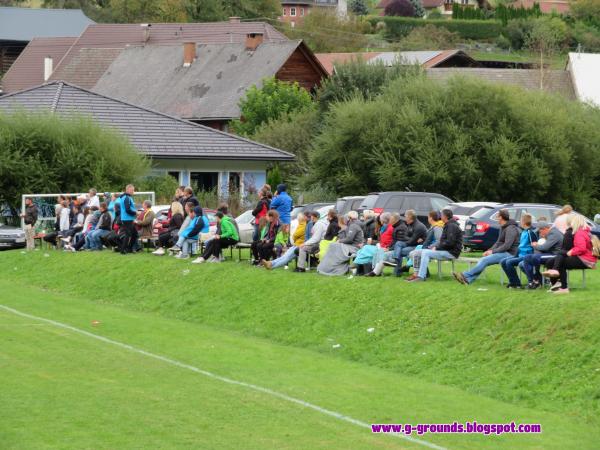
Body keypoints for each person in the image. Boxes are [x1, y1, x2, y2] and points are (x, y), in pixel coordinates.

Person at [453, 209, 519, 285]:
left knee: (484, 261)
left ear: (501, 217)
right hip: (503, 252)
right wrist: (489, 250)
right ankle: (468, 280)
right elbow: (498, 242)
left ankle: (465, 275)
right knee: (484, 260)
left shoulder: (511, 228)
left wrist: (493, 252)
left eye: (497, 216)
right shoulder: (503, 227)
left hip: (510, 253)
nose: (496, 218)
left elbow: (507, 246)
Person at [542, 214, 596, 294]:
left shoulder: (579, 232)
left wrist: (570, 252)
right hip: (585, 258)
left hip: (585, 260)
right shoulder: (583, 231)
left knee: (562, 261)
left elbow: (581, 248)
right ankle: (556, 285)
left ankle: (564, 288)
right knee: (553, 260)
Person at [407, 209, 463, 283]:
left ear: (445, 216)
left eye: (441, 215)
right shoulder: (448, 225)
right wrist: (437, 247)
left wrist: (437, 247)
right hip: (445, 250)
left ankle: (421, 276)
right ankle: (416, 274)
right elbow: (444, 242)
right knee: (415, 252)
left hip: (451, 252)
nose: (440, 217)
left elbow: (450, 243)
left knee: (426, 253)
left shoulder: (452, 226)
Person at [317, 211, 364, 276]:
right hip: (350, 246)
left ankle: (333, 268)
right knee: (333, 246)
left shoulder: (353, 226)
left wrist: (340, 241)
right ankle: (329, 267)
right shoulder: (351, 225)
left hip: (354, 247)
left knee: (334, 246)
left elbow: (349, 239)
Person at [520, 221, 564, 289]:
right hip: (550, 253)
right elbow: (545, 247)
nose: (540, 233)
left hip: (556, 255)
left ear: (544, 229)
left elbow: (544, 247)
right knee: (527, 257)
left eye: (540, 231)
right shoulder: (551, 233)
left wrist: (535, 245)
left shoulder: (553, 233)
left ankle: (536, 281)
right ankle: (532, 281)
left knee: (535, 257)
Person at [500, 213, 538, 289]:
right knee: (503, 261)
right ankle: (513, 281)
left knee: (509, 262)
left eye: (521, 221)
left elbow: (534, 245)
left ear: (524, 222)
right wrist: (515, 255)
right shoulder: (523, 232)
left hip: (526, 256)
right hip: (520, 255)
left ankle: (516, 283)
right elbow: (520, 246)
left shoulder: (530, 233)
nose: (520, 222)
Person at [405, 210, 445, 278]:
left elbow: (439, 240)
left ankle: (415, 272)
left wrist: (430, 246)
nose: (428, 218)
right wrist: (423, 239)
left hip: (433, 249)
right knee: (413, 252)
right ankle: (422, 272)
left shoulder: (437, 227)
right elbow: (428, 237)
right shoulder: (433, 226)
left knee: (414, 253)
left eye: (428, 217)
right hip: (427, 247)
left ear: (431, 218)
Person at [393, 210, 427, 275]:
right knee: (398, 243)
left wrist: (410, 239)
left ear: (410, 217)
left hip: (418, 246)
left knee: (400, 251)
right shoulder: (410, 224)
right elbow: (405, 236)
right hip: (412, 244)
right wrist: (411, 239)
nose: (405, 218)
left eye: (406, 217)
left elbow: (411, 241)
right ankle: (396, 259)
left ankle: (397, 272)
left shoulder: (419, 226)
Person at [118, 184, 138, 254]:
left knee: (134, 234)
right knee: (128, 235)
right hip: (127, 219)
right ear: (128, 190)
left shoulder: (124, 197)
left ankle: (129, 248)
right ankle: (123, 250)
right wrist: (135, 213)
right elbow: (127, 210)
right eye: (132, 190)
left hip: (127, 218)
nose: (133, 191)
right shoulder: (126, 198)